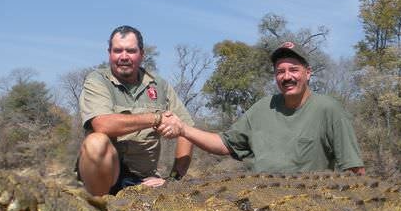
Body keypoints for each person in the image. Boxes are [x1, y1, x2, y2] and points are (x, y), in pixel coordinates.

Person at [160, 41, 365, 174]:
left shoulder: (329, 109)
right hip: (261, 206)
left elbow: (354, 169)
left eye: (294, 70)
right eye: (280, 71)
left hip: (310, 207)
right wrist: (183, 129)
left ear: (308, 73)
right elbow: (225, 144)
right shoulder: (262, 107)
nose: (287, 77)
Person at [77, 25, 194, 195]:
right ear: (109, 53)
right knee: (96, 142)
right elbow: (103, 125)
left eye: (131, 51)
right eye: (117, 51)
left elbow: (187, 130)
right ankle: (99, 205)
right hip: (105, 179)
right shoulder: (97, 80)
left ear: (142, 54)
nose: (124, 57)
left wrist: (174, 180)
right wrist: (157, 118)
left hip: (145, 181)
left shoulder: (159, 85)